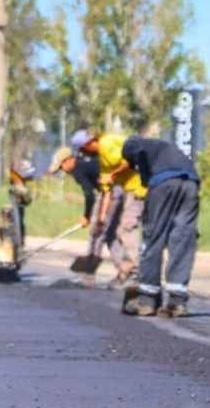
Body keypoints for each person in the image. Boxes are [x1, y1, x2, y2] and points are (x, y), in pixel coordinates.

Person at [114, 136, 200, 317]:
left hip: (165, 185)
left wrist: (143, 173)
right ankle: (177, 302)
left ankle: (147, 300)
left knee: (153, 238)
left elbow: (137, 152)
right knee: (182, 239)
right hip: (190, 184)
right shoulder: (163, 146)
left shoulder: (134, 145)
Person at [69, 130, 147, 285]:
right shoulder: (103, 162)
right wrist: (102, 217)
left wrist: (114, 174)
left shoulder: (106, 144)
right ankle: (125, 272)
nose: (84, 154)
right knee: (117, 231)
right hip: (129, 189)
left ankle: (134, 273)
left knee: (128, 227)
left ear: (88, 144)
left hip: (140, 187)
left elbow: (127, 161)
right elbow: (106, 192)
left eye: (83, 150)